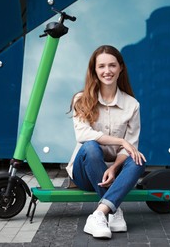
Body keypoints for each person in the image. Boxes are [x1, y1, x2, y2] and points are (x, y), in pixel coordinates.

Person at [66, 45, 146, 239]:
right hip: (85, 172)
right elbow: (83, 135)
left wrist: (114, 167)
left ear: (121, 68)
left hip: (114, 173)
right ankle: (114, 208)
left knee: (138, 159)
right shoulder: (81, 99)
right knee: (91, 147)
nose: (107, 71)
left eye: (112, 65)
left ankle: (101, 213)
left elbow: (131, 146)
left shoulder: (132, 105)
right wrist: (120, 141)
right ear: (94, 70)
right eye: (101, 66)